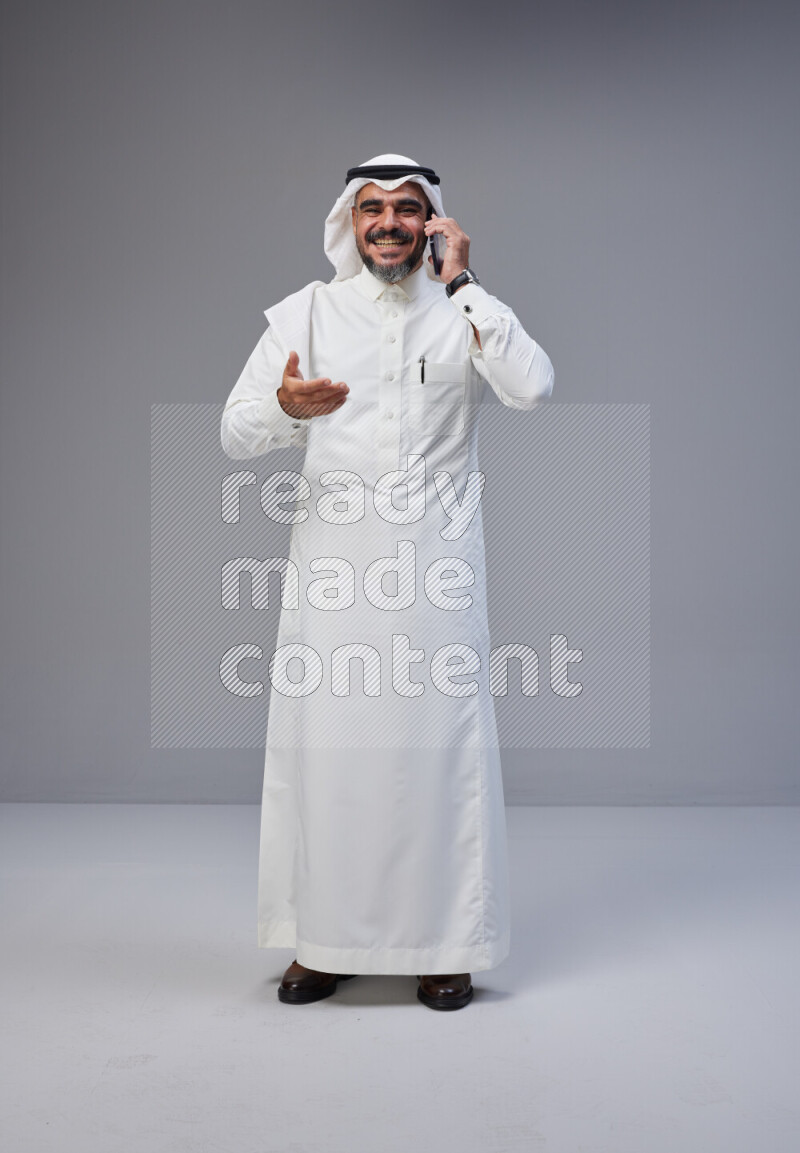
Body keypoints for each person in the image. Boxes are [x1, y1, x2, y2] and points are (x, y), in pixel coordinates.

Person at [220, 153, 554, 1011]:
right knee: (331, 758)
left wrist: (469, 283)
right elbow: (234, 431)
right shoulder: (309, 313)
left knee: (437, 757)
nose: (390, 223)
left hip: (438, 575)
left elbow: (533, 387)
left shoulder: (465, 314)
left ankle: (446, 945)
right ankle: (324, 944)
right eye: (373, 209)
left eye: (409, 208)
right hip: (333, 573)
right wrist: (283, 411)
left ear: (433, 222)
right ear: (349, 221)